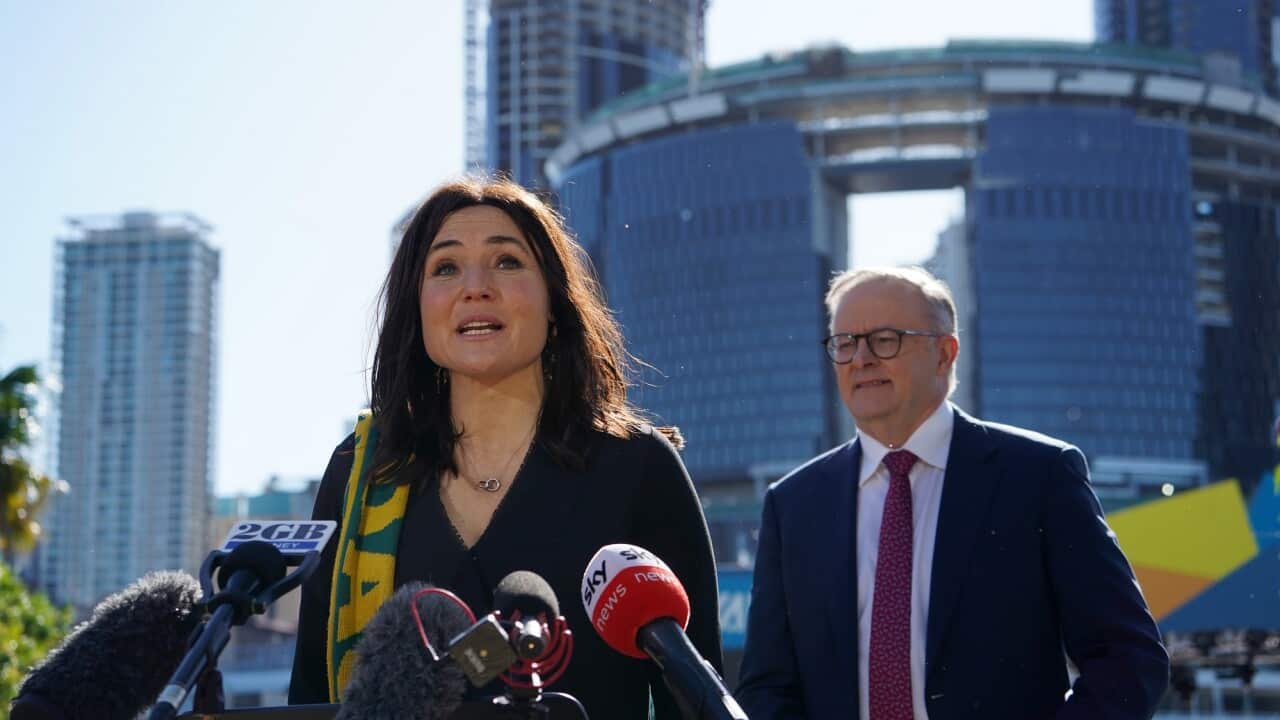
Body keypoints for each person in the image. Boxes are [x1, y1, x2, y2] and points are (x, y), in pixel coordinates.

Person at [288, 176, 722, 718]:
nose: (476, 287)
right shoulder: (364, 472)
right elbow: (311, 691)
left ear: (555, 300)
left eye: (507, 262)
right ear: (416, 307)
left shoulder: (639, 465)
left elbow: (696, 697)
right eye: (445, 267)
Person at [735, 266, 1169, 719]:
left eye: (885, 339)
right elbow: (767, 687)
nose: (860, 358)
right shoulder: (793, 505)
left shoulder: (1038, 476)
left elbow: (1127, 658)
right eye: (844, 343)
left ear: (944, 353)